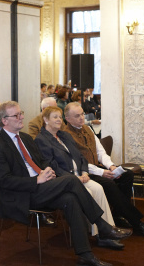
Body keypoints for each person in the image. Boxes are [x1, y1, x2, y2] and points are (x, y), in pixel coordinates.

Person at [0, 101, 130, 266]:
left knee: (70, 199)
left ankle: (85, 255)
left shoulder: (24, 138)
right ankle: (103, 225)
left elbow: (40, 162)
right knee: (70, 180)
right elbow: (4, 181)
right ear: (4, 120)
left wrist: (47, 171)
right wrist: (36, 180)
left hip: (43, 186)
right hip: (24, 194)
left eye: (21, 113)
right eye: (17, 115)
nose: (22, 117)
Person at [34, 106, 122, 250]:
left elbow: (81, 157)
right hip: (65, 180)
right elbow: (52, 166)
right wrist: (73, 178)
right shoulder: (41, 140)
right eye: (55, 117)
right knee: (91, 192)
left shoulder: (64, 136)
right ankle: (99, 234)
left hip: (80, 175)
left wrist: (84, 172)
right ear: (45, 120)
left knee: (99, 188)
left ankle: (107, 232)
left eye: (60, 116)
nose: (59, 120)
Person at [62, 102, 144, 237]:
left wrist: (111, 166)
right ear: (67, 119)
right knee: (109, 184)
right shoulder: (65, 135)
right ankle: (136, 222)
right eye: (77, 116)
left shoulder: (88, 129)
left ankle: (118, 214)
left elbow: (100, 152)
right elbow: (79, 162)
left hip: (97, 167)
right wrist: (103, 172)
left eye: (82, 114)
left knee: (127, 175)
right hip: (84, 172)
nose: (81, 118)